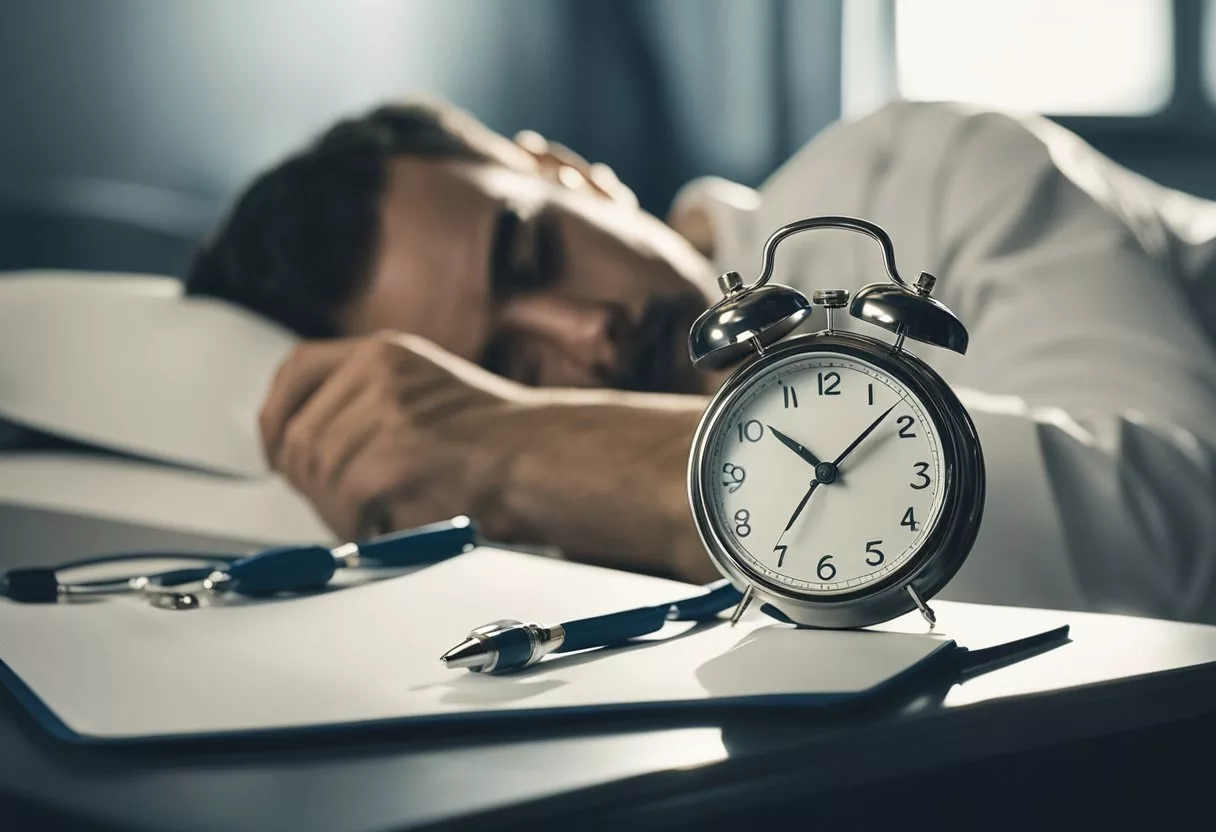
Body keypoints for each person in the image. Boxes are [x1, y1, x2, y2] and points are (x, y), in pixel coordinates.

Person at [186, 98, 1216, 623]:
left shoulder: (924, 171)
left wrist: (503, 437)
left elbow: (1179, 538)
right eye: (501, 367)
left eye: (533, 248)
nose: (585, 332)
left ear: (567, 172)